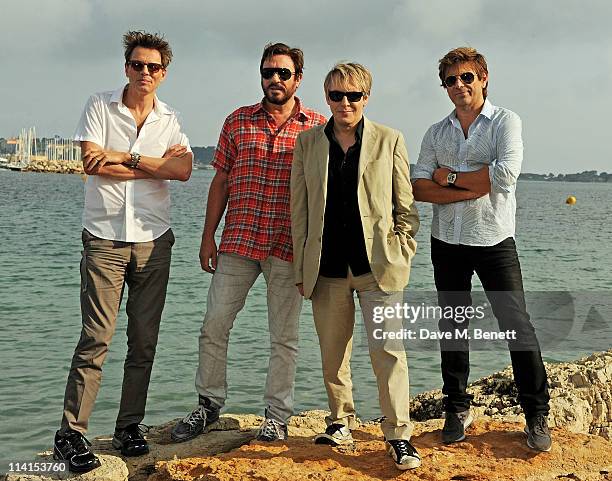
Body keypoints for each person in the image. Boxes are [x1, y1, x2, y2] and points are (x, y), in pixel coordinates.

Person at [171, 43, 326, 443]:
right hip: (238, 241)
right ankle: (208, 405)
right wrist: (208, 236)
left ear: (298, 79)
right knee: (214, 324)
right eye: (268, 72)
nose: (275, 79)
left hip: (288, 247)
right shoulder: (238, 121)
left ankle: (276, 416)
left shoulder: (317, 127)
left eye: (283, 73)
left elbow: (327, 190)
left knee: (284, 337)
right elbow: (220, 180)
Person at [53, 31, 193, 473]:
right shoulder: (99, 105)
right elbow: (91, 162)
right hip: (105, 237)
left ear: (164, 73)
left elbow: (185, 170)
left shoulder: (169, 118)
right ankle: (70, 435)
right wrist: (154, 167)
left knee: (144, 341)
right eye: (137, 65)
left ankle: (128, 426)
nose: (145, 72)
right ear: (126, 67)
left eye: (153, 67)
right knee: (96, 339)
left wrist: (127, 160)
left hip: (154, 239)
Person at [411, 47, 551, 451]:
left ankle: (536, 414)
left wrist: (448, 177)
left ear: (483, 77)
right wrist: (470, 183)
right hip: (447, 242)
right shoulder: (436, 132)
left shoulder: (506, 122)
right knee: (452, 325)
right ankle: (456, 407)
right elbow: (419, 187)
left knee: (518, 326)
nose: (459, 86)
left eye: (466, 77)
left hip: (493, 240)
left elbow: (504, 177)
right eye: (451, 80)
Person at [291, 63, 421, 470]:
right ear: (326, 97)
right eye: (336, 96)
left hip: (378, 267)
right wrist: (300, 267)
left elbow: (407, 208)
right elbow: (299, 211)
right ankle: (340, 421)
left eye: (353, 96)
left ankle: (399, 435)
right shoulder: (307, 142)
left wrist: (402, 248)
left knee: (388, 351)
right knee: (333, 354)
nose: (344, 103)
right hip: (325, 267)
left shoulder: (389, 139)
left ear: (367, 97)